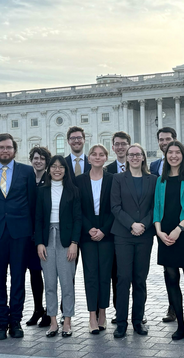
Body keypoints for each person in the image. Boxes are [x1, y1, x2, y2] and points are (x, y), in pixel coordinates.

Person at [0, 133, 37, 340]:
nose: (5, 151)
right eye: (1, 147)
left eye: (9, 147)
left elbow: (33, 204)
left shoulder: (27, 171)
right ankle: (1, 323)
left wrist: (32, 233)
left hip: (20, 233)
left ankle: (16, 322)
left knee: (19, 279)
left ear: (15, 150)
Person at [154, 141, 184, 340]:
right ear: (165, 156)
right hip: (165, 235)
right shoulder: (161, 179)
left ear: (183, 155)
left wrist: (179, 228)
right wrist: (159, 232)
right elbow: (156, 207)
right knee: (171, 278)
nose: (173, 156)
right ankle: (180, 324)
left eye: (177, 152)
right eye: (170, 152)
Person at [111, 143, 157, 338]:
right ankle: (121, 322)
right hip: (123, 235)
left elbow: (156, 206)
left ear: (143, 157)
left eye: (138, 154)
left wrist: (143, 225)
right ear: (127, 158)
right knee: (123, 278)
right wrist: (132, 224)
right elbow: (115, 206)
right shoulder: (118, 179)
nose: (135, 157)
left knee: (140, 279)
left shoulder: (153, 179)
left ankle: (138, 321)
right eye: (131, 155)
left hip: (144, 236)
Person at [35, 156, 82, 337]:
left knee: (66, 283)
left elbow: (78, 219)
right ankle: (53, 321)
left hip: (66, 238)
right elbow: (38, 219)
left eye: (61, 167)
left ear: (65, 170)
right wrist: (39, 242)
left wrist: (74, 243)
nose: (57, 170)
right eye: (53, 166)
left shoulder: (73, 191)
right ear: (49, 169)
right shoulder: (42, 191)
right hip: (47, 238)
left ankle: (67, 321)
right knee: (50, 283)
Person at [76, 144, 114, 334]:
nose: (97, 157)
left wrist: (104, 230)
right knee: (90, 275)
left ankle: (102, 313)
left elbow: (115, 207)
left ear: (106, 158)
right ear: (88, 158)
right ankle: (92, 315)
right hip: (87, 232)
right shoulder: (79, 180)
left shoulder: (112, 179)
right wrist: (88, 228)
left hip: (107, 233)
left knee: (104, 274)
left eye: (101, 154)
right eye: (94, 154)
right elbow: (77, 208)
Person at [150, 126, 179, 323]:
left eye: (167, 139)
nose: (164, 142)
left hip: (182, 225)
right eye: (161, 139)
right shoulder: (153, 167)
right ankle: (173, 307)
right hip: (162, 227)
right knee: (169, 271)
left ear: (174, 140)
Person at [104, 131, 130, 323]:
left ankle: (138, 312)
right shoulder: (107, 171)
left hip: (137, 231)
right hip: (115, 230)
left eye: (124, 144)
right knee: (116, 273)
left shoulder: (139, 167)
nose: (120, 147)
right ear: (113, 147)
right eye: (117, 144)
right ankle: (119, 310)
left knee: (135, 275)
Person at [25, 146, 51, 327]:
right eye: (35, 158)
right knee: (34, 274)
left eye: (42, 158)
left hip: (48, 233)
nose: (38, 161)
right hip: (29, 234)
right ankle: (37, 309)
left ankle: (50, 311)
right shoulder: (26, 179)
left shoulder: (52, 179)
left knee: (49, 275)